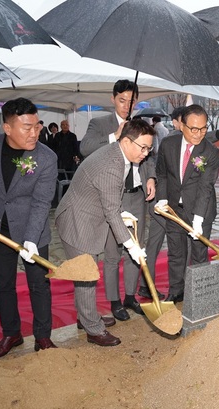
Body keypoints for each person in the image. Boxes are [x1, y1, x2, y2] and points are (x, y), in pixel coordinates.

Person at [0, 97, 58, 358]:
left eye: (37, 126)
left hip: (33, 230)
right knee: (3, 284)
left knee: (39, 285)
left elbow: (41, 201)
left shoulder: (46, 157)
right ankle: (11, 333)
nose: (35, 132)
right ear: (7, 128)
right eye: (27, 127)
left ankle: (43, 336)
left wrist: (30, 239)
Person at [55, 119, 155, 346]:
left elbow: (111, 201)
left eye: (149, 148)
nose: (146, 153)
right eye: (143, 148)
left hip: (88, 214)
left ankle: (85, 317)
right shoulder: (112, 164)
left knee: (85, 274)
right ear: (127, 141)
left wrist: (123, 216)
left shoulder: (119, 154)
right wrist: (132, 246)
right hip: (78, 221)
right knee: (87, 275)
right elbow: (111, 210)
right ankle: (93, 329)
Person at [80, 80, 156, 321]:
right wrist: (115, 136)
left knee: (136, 249)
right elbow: (86, 149)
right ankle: (114, 301)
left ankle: (130, 296)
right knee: (113, 253)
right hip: (114, 197)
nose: (127, 105)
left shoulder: (140, 124)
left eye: (132, 101)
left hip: (137, 196)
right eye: (122, 100)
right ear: (113, 99)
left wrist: (151, 177)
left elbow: (149, 156)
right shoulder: (100, 123)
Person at [153, 104, 219, 302]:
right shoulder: (168, 144)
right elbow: (162, 174)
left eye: (203, 128)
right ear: (182, 125)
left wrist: (198, 219)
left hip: (201, 210)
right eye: (194, 129)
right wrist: (162, 198)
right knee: (176, 252)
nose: (199, 134)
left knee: (199, 254)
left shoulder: (210, 152)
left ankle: (200, 293)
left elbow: (205, 187)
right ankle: (176, 290)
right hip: (174, 209)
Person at [137, 106, 186, 300]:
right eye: (186, 121)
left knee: (154, 243)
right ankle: (179, 285)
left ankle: (145, 284)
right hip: (161, 200)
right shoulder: (172, 141)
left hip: (166, 201)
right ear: (176, 122)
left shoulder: (184, 139)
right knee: (179, 240)